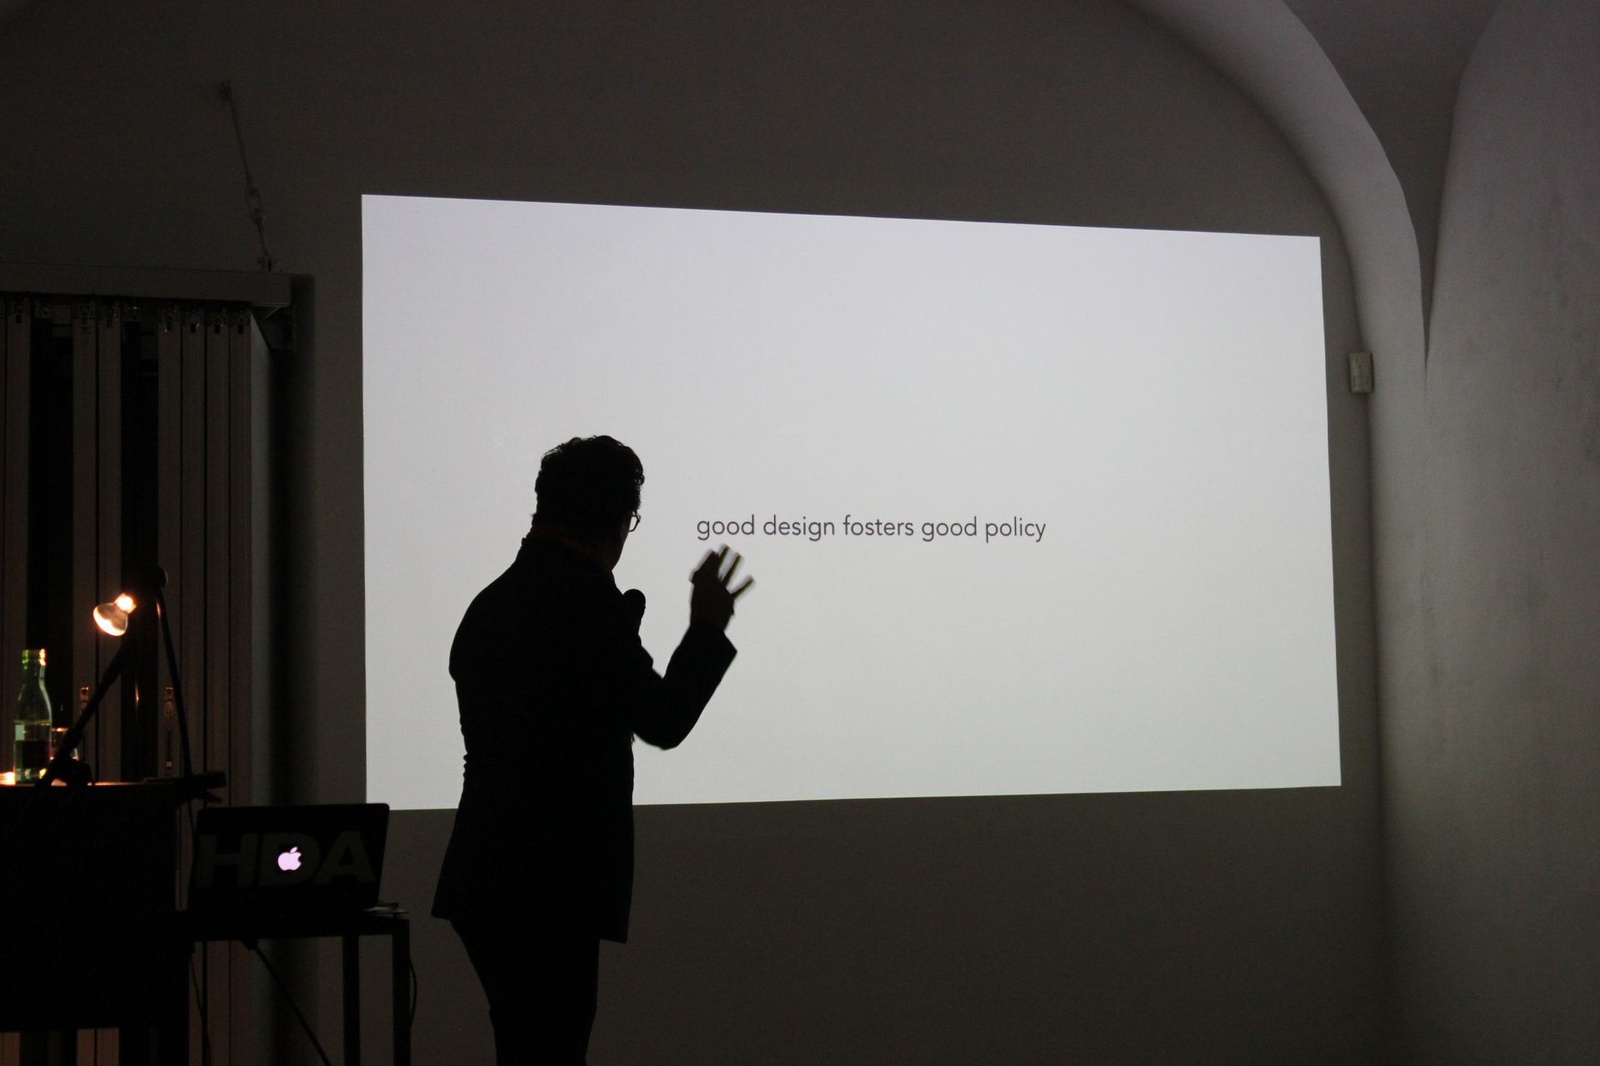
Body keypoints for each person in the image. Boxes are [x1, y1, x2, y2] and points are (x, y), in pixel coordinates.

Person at [432, 435, 751, 1064]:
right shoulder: (582, 602)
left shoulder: (492, 603)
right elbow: (663, 719)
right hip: (550, 885)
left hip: (487, 878)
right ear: (618, 520)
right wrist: (707, 627)